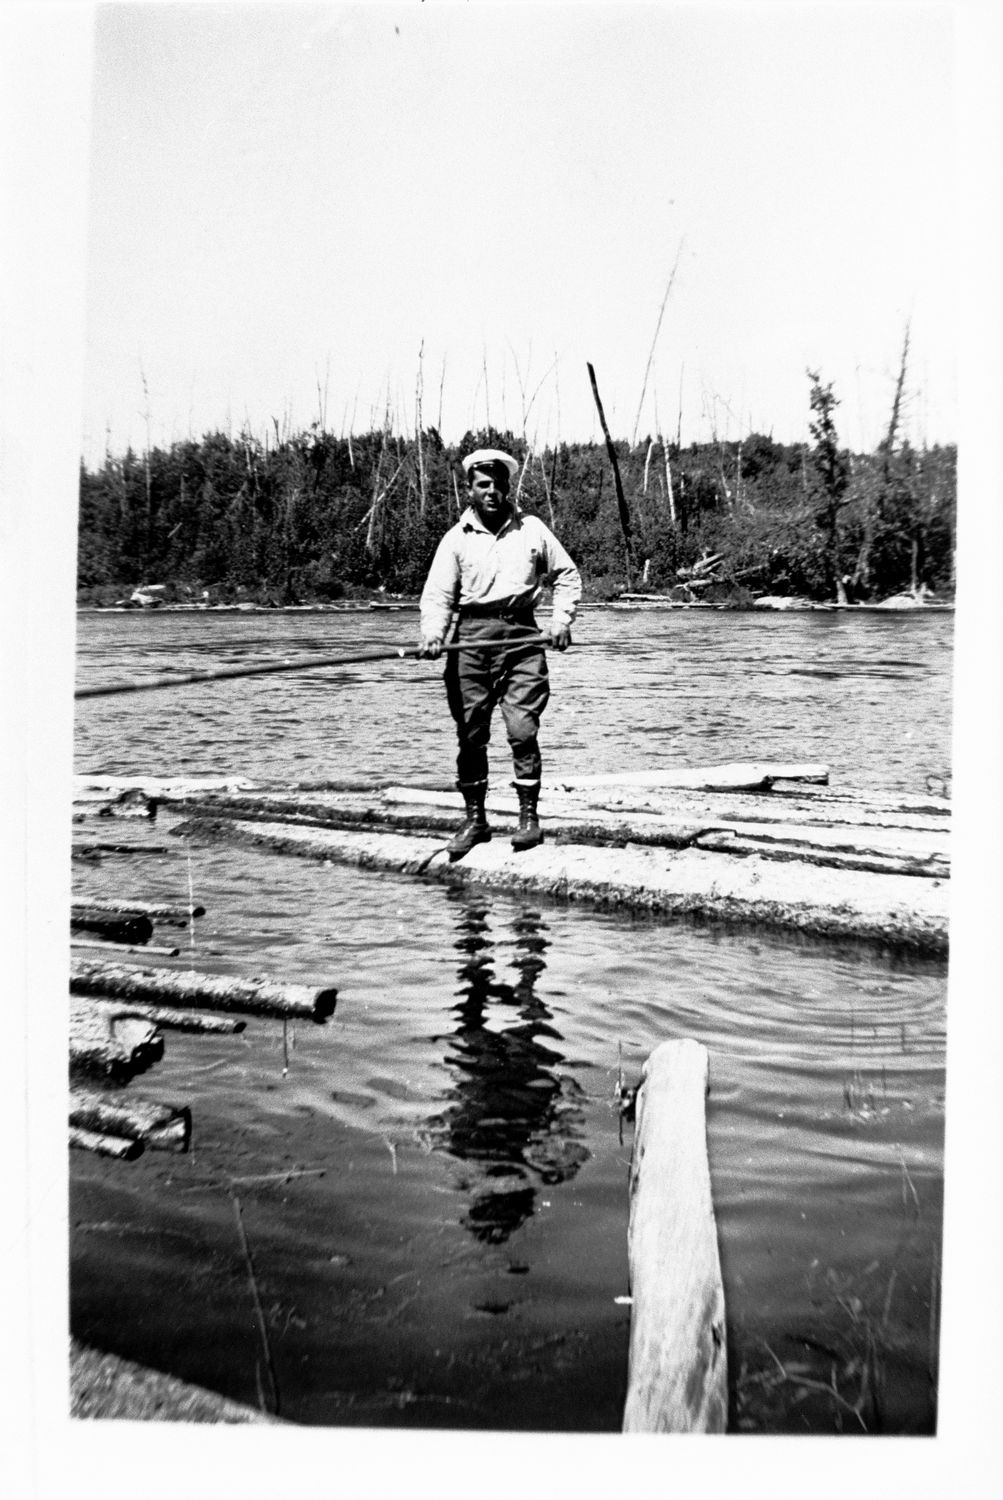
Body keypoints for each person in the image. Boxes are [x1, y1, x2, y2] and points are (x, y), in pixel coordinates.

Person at [419, 447, 581, 856]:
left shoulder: (532, 529)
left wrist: (561, 621)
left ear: (508, 487)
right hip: (470, 639)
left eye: (498, 485)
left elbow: (566, 573)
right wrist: (433, 635)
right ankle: (475, 820)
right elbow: (438, 595)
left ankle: (529, 820)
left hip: (522, 637)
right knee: (471, 733)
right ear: (470, 490)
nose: (492, 492)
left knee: (522, 730)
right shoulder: (456, 539)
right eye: (483, 485)